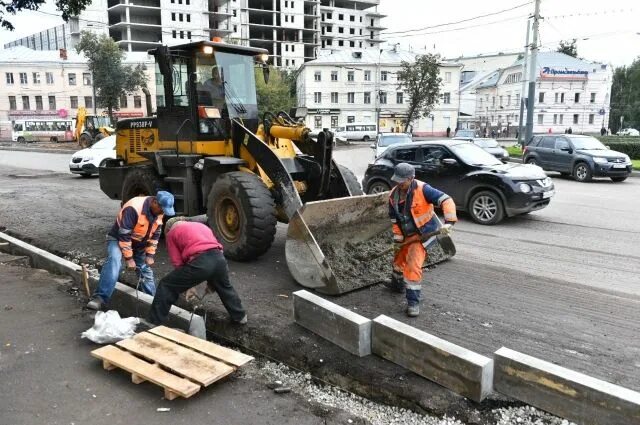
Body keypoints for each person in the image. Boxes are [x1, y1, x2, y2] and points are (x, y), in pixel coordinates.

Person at [386, 163, 457, 317]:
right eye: (396, 180)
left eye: (402, 181)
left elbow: (447, 200)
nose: (398, 184)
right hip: (406, 236)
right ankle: (396, 284)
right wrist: (398, 241)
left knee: (412, 266)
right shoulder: (393, 196)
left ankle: (413, 303)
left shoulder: (423, 189)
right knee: (398, 260)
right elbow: (395, 221)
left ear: (411, 178)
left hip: (422, 234)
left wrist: (449, 222)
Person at [148, 217, 247, 326]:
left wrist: (188, 286)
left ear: (169, 229)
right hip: (219, 259)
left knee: (166, 285)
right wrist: (212, 283)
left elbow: (177, 262)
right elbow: (211, 247)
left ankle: (155, 323)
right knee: (225, 287)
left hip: (201, 261)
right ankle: (240, 316)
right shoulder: (202, 226)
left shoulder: (172, 233)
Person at [87, 191, 175, 310]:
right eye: (162, 209)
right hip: (118, 238)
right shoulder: (133, 208)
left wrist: (150, 255)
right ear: (155, 202)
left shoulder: (159, 210)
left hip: (138, 243)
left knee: (145, 270)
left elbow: (155, 235)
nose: (163, 212)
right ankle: (100, 298)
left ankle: (152, 303)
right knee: (114, 262)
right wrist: (129, 258)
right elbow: (124, 235)